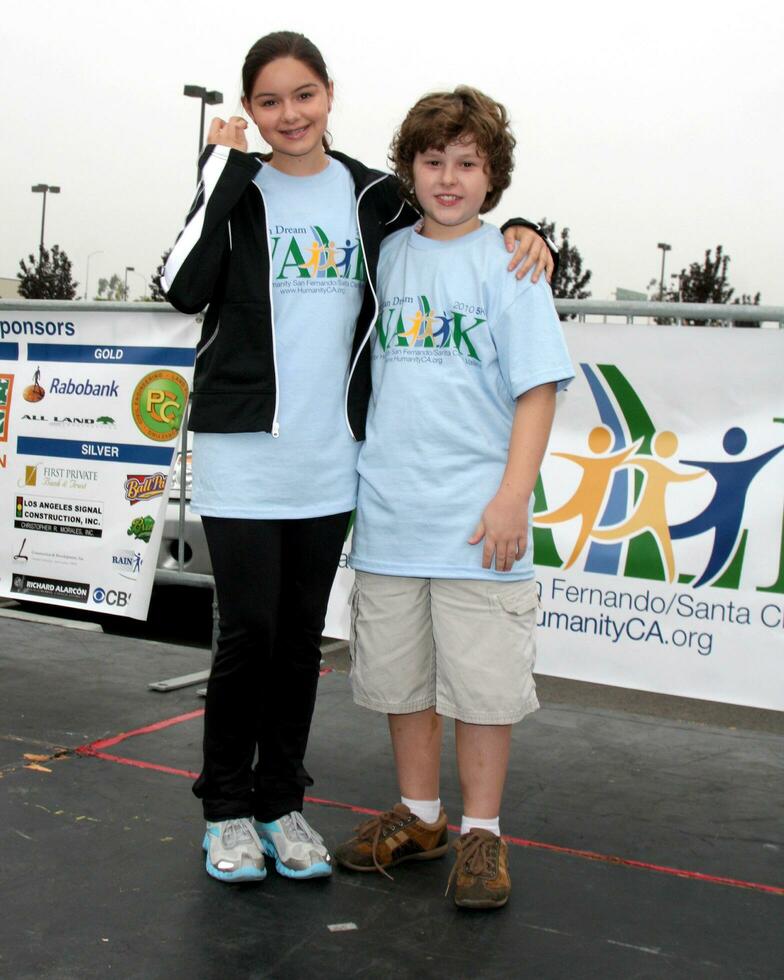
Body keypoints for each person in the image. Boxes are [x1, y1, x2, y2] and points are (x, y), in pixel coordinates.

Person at [162, 32, 557, 885]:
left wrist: (527, 230)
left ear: (330, 95)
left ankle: (281, 803)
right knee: (249, 635)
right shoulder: (237, 191)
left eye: (304, 95)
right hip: (244, 452)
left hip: (333, 460)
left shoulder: (370, 196)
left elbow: (455, 211)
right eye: (269, 101)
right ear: (250, 111)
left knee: (300, 639)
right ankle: (227, 809)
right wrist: (219, 169)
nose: (289, 114)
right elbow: (182, 284)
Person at [335, 86, 573, 909]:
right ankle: (422, 814)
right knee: (402, 684)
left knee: (482, 689)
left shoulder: (511, 263)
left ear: (492, 175)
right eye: (432, 161)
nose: (448, 177)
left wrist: (514, 498)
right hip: (392, 517)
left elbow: (538, 390)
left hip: (480, 523)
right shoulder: (388, 253)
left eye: (467, 163)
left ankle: (481, 833)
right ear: (409, 168)